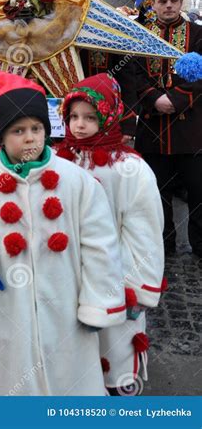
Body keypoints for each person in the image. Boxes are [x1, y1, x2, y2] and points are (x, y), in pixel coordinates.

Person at [0, 71, 126, 396]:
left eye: (36, 129)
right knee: (12, 381)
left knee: (71, 383)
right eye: (18, 131)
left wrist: (97, 303)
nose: (29, 138)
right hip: (5, 308)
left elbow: (100, 245)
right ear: (0, 136)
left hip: (67, 311)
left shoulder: (77, 182)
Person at [56, 73, 165, 395]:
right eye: (73, 116)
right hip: (71, 266)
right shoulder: (60, 160)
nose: (79, 124)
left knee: (115, 338)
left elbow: (145, 228)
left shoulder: (129, 167)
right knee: (77, 337)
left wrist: (138, 283)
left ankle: (120, 390)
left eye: (90, 117)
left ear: (109, 114)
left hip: (117, 267)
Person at [133, 0, 202, 257]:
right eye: (162, 1)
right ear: (153, 4)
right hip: (153, 128)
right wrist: (153, 98)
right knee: (156, 194)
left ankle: (200, 246)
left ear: (181, 1)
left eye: (174, 0)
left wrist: (175, 100)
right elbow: (133, 75)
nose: (169, 6)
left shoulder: (198, 34)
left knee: (199, 193)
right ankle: (163, 245)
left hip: (192, 130)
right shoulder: (139, 35)